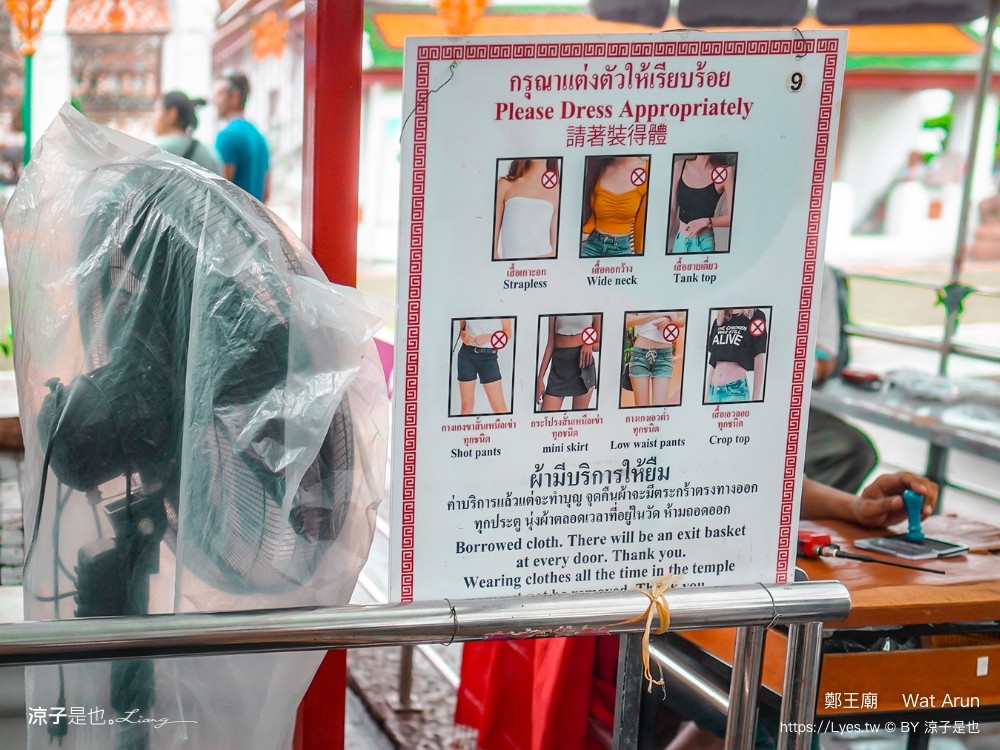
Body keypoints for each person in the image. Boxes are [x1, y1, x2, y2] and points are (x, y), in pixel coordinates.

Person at [456, 471, 940, 750]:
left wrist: (853, 507)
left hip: (701, 593)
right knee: (767, 723)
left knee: (772, 706)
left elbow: (752, 466)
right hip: (610, 599)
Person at [805, 265, 878, 493]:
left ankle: (798, 520)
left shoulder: (816, 272)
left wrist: (789, 371)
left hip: (780, 407)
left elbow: (825, 357)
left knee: (856, 451)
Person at [213, 71, 270, 202]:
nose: (215, 101)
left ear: (235, 97)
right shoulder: (259, 136)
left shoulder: (226, 136)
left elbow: (219, 193)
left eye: (219, 94)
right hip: (255, 220)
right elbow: (266, 193)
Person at [580, 156, 649, 257]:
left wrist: (639, 259)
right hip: (591, 244)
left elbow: (642, 226)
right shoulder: (597, 165)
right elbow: (589, 212)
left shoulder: (647, 170)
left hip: (622, 248)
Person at [494, 159, 560, 259]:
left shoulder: (557, 190)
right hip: (512, 270)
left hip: (543, 267)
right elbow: (492, 249)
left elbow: (556, 250)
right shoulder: (505, 184)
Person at [668, 153, 734, 254]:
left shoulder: (725, 172)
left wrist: (708, 221)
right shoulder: (679, 166)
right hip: (680, 241)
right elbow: (672, 210)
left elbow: (734, 218)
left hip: (704, 244)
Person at [536, 314, 601, 411]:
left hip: (583, 367)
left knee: (578, 420)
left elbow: (599, 344)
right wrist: (540, 378)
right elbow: (550, 344)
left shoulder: (593, 309)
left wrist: (589, 344)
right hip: (559, 367)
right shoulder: (556, 307)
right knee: (546, 419)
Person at [152, 90, 223, 175]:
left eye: (156, 110)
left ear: (172, 113)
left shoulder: (155, 150)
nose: (153, 118)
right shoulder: (209, 152)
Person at [705, 308, 768, 403]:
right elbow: (714, 363)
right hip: (713, 392)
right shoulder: (720, 319)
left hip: (735, 391)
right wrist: (706, 397)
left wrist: (755, 400)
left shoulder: (755, 316)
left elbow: (758, 358)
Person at [625, 311, 685, 407]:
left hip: (664, 355)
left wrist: (670, 320)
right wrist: (654, 316)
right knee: (642, 409)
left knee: (659, 409)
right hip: (640, 353)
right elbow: (627, 320)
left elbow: (682, 319)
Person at [455, 318, 512, 415]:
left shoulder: (502, 305)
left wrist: (488, 337)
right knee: (466, 409)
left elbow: (508, 332)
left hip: (489, 358)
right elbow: (462, 330)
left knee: (499, 408)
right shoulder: (466, 303)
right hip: (466, 355)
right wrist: (464, 336)